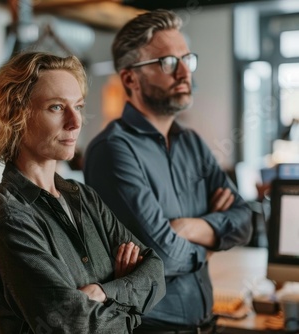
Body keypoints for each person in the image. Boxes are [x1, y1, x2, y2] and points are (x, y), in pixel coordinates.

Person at [84, 9, 252, 333]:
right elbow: (161, 256)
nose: (184, 72)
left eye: (186, 59)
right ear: (131, 79)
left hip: (205, 323)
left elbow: (245, 218)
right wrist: (213, 242)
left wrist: (190, 227)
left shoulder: (191, 143)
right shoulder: (113, 151)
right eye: (167, 62)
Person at [0, 51, 166, 334]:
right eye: (56, 107)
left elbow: (155, 271)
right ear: (15, 116)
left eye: (78, 106)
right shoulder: (8, 216)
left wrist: (102, 292)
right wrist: (130, 302)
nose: (76, 122)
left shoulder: (85, 197)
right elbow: (73, 323)